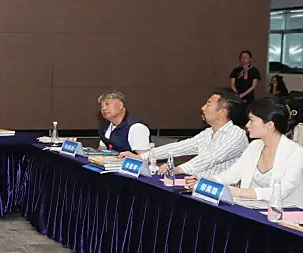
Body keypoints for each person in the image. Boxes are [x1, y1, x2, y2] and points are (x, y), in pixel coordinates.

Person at [186, 97, 303, 207]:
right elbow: (233, 174)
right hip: (253, 208)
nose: (247, 125)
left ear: (270, 125)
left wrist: (237, 192)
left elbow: (280, 191)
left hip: (285, 214)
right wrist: (204, 181)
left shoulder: (296, 152)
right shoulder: (255, 146)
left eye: (252, 120)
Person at [119, 89, 247, 177]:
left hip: (223, 194)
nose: (203, 108)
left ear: (223, 111)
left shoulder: (236, 135)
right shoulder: (208, 133)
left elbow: (211, 158)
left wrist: (180, 169)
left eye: (208, 104)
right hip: (198, 185)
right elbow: (180, 147)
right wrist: (142, 157)